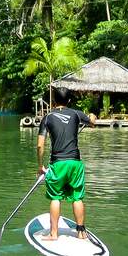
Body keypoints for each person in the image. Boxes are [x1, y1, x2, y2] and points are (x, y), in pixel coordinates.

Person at [36, 86, 96, 240]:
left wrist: (40, 166)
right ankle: (81, 232)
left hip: (58, 164)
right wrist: (92, 116)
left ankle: (53, 234)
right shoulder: (76, 114)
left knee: (56, 197)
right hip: (75, 163)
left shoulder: (48, 118)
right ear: (69, 100)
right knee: (77, 197)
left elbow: (40, 145)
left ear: (54, 101)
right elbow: (92, 122)